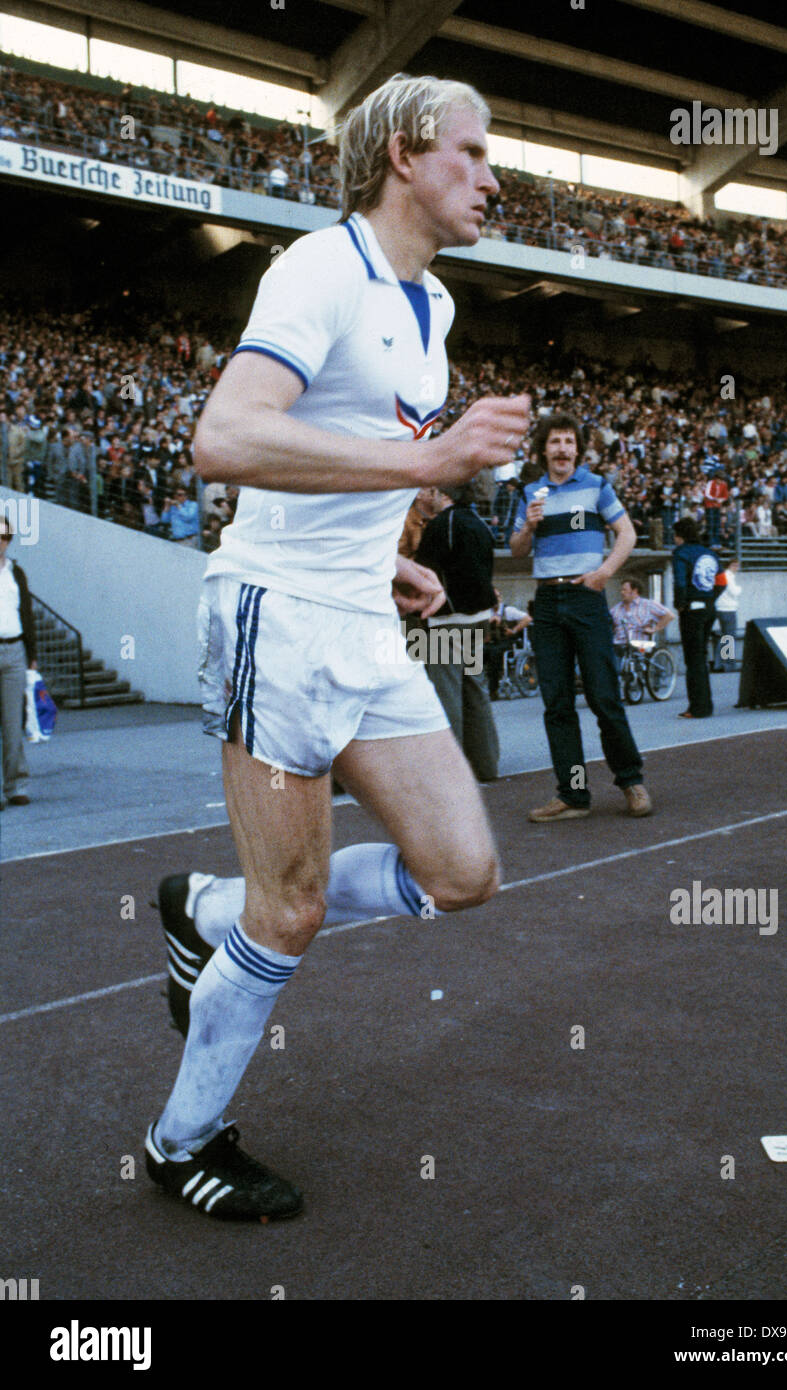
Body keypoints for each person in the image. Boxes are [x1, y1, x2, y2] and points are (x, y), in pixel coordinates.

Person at [144, 73, 531, 1222]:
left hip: (357, 614)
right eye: (472, 151)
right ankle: (182, 1139)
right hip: (275, 611)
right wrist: (429, 465)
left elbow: (348, 454)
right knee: (294, 909)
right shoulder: (319, 267)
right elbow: (224, 438)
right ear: (408, 154)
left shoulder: (435, 308)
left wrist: (388, 552)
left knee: (462, 873)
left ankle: (201, 908)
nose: (491, 175)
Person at [509, 411, 652, 821]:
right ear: (543, 449)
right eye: (554, 442)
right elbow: (517, 550)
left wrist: (606, 572)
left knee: (604, 695)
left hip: (586, 597)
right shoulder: (531, 492)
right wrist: (528, 529)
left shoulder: (596, 486)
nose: (562, 449)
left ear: (578, 449)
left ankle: (631, 781)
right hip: (549, 603)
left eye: (569, 442)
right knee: (557, 704)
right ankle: (573, 795)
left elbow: (627, 533)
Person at [414, 482, 499, 780]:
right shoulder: (480, 524)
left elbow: (422, 573)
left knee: (446, 693)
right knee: (475, 688)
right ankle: (486, 764)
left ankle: (450, 773)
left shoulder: (441, 527)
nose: (429, 495)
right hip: (477, 619)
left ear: (444, 494)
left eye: (433, 491)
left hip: (446, 620)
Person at [0, 516, 37, 808]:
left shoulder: (16, 572)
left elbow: (27, 614)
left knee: (14, 722)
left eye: (4, 536)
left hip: (14, 651)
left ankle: (16, 785)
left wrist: (32, 655)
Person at [672, 517, 720, 718]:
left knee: (694, 660)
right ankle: (705, 704)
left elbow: (680, 582)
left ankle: (698, 707)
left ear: (679, 535)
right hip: (709, 607)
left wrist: (680, 605)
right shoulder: (710, 553)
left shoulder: (681, 553)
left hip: (692, 609)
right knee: (701, 656)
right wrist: (710, 597)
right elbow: (722, 581)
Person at [609, 578, 675, 670]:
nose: (622, 592)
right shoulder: (616, 609)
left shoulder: (647, 605)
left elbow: (669, 615)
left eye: (625, 590)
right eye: (621, 590)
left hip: (640, 645)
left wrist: (655, 629)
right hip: (619, 644)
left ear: (635, 591)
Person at [485, 586, 532, 699]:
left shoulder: (508, 611)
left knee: (495, 653)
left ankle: (493, 689)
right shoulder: (487, 613)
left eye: (497, 597)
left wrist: (514, 630)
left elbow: (527, 619)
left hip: (507, 641)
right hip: (491, 641)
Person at [712, 558, 741, 671]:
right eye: (734, 565)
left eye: (737, 566)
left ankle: (720, 664)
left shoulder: (723, 575)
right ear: (729, 566)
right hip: (728, 608)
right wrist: (740, 589)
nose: (736, 568)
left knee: (724, 637)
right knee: (729, 637)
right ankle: (727, 664)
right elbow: (735, 592)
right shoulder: (729, 576)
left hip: (721, 608)